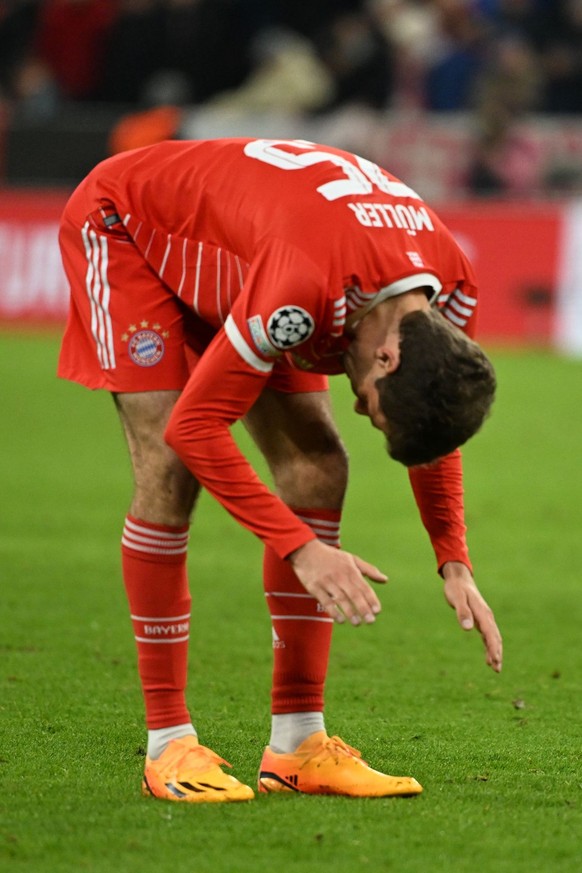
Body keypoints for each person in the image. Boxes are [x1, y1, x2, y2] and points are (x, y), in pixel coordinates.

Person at [57, 136, 502, 803]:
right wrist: (302, 550)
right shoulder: (306, 283)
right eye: (378, 411)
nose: (365, 413)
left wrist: (453, 557)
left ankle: (298, 745)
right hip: (132, 230)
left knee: (320, 465)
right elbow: (195, 426)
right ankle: (169, 741)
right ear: (385, 360)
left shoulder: (449, 293)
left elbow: (434, 417)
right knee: (171, 466)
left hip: (254, 257)